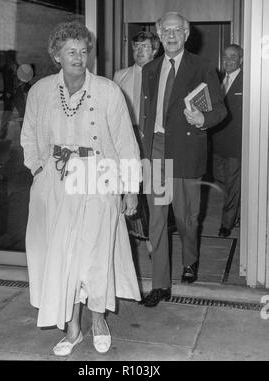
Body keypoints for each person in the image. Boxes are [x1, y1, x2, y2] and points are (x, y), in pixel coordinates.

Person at [20, 21, 141, 356]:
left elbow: (126, 143)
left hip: (99, 175)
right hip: (55, 182)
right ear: (56, 55)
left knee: (97, 253)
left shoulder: (108, 90)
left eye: (83, 50)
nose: (78, 56)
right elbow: (29, 136)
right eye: (70, 51)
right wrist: (39, 168)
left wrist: (130, 189)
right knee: (64, 255)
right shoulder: (41, 90)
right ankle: (73, 328)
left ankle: (99, 319)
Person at [140, 12, 226, 307]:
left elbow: (221, 111)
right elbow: (146, 114)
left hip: (187, 151)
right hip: (158, 150)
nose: (172, 35)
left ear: (187, 34)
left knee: (187, 218)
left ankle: (190, 260)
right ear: (159, 34)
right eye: (166, 30)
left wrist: (203, 118)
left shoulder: (202, 67)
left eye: (178, 30)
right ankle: (160, 284)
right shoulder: (150, 69)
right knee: (158, 218)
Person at [114, 31, 160, 246]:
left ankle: (153, 236)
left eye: (144, 47)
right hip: (127, 136)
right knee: (130, 185)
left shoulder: (163, 74)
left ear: (155, 50)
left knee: (151, 188)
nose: (139, 51)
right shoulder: (119, 76)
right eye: (135, 47)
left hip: (153, 138)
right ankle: (134, 232)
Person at [211, 44, 243, 237]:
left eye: (233, 57)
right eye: (226, 56)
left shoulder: (247, 81)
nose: (229, 60)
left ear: (240, 60)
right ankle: (236, 213)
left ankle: (226, 224)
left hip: (236, 144)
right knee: (220, 181)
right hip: (218, 142)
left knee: (232, 185)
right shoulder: (219, 80)